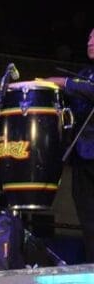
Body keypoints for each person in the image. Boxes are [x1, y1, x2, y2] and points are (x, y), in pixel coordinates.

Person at [44, 27, 94, 262]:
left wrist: (64, 82)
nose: (90, 40)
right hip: (83, 155)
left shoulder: (79, 80)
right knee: (87, 215)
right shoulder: (85, 73)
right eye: (89, 36)